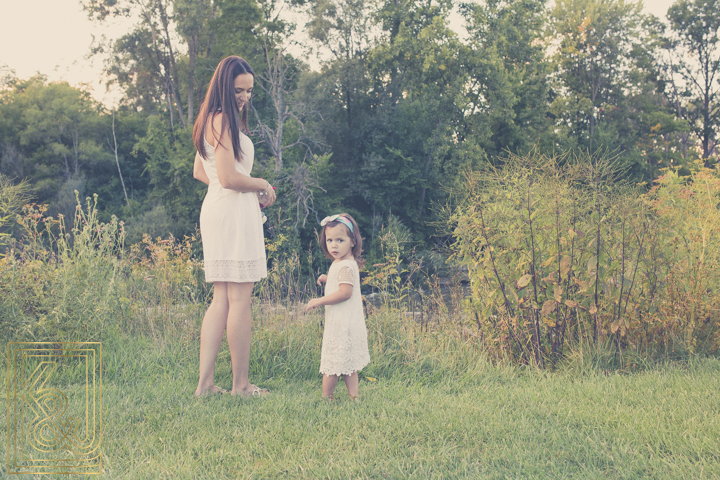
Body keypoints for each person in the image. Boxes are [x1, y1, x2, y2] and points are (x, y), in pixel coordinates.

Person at [191, 56, 276, 397]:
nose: (244, 97)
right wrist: (261, 184)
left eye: (250, 91)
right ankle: (240, 385)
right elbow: (227, 177)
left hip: (218, 209)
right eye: (239, 90)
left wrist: (246, 192)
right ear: (225, 87)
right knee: (240, 298)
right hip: (230, 211)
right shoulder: (224, 120)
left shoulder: (208, 120)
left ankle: (205, 386)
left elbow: (203, 173)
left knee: (222, 298)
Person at [306, 214, 370, 400]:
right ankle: (354, 396)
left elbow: (345, 293)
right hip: (348, 322)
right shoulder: (344, 263)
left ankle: (328, 397)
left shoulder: (344, 267)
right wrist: (328, 279)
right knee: (348, 363)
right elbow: (341, 282)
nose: (333, 245)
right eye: (330, 240)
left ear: (352, 241)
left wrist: (319, 300)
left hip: (341, 324)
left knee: (332, 362)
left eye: (340, 240)